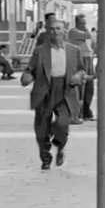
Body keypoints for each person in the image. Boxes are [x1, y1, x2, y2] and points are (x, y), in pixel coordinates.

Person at [20, 18, 87, 170]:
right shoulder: (40, 51)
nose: (55, 32)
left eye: (58, 29)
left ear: (64, 31)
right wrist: (27, 77)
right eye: (52, 29)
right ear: (47, 31)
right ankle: (45, 157)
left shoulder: (73, 50)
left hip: (65, 90)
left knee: (63, 123)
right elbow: (30, 70)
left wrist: (79, 76)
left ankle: (59, 143)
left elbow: (82, 70)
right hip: (45, 90)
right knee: (41, 129)